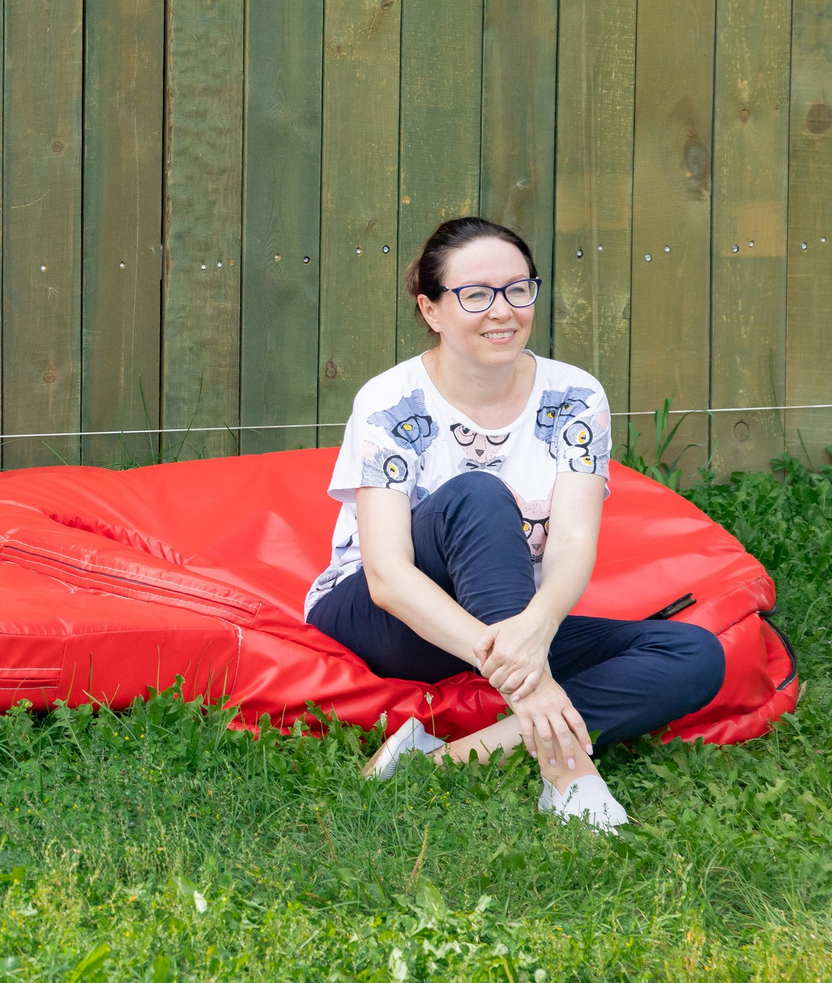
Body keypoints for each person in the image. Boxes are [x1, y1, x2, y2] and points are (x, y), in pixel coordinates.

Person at [303, 216, 726, 832]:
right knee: (477, 493)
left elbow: (575, 541)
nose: (501, 311)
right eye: (475, 295)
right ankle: (568, 771)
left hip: (506, 610)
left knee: (694, 653)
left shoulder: (575, 396)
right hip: (386, 621)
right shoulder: (390, 400)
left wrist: (538, 626)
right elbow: (387, 577)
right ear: (432, 310)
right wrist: (528, 676)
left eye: (517, 289)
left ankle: (447, 763)